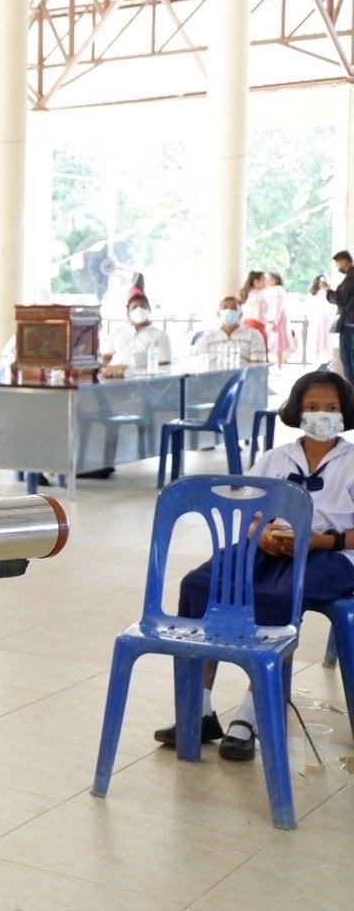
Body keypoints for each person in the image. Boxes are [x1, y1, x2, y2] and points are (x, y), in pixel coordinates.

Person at [154, 370, 354, 761]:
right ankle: (199, 708)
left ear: (345, 413)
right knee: (199, 586)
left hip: (332, 554)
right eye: (312, 407)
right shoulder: (275, 459)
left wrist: (322, 540)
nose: (322, 415)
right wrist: (261, 536)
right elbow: (250, 515)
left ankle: (250, 715)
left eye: (331, 408)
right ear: (297, 411)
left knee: (279, 598)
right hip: (269, 548)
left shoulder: (351, 462)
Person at [101, 292, 171, 367]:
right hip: (116, 372)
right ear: (128, 312)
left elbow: (165, 362)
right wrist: (108, 370)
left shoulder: (160, 334)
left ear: (149, 310)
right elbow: (106, 357)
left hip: (144, 373)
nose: (139, 310)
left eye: (143, 306)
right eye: (134, 307)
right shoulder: (116, 332)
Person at [194, 296, 266, 365]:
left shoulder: (253, 334)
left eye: (234, 308)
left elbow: (257, 365)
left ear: (240, 314)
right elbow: (200, 361)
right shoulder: (208, 336)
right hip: (214, 373)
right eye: (224, 308)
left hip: (242, 373)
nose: (229, 311)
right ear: (218, 313)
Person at [326, 251, 354, 375]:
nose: (338, 266)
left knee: (347, 357)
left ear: (344, 261)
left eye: (338, 263)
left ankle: (351, 385)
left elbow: (340, 299)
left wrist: (328, 291)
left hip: (349, 322)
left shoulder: (351, 278)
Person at [262, 272, 291, 368]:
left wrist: (276, 320)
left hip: (278, 319)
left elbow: (279, 306)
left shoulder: (279, 290)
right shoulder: (266, 290)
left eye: (271, 278)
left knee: (278, 343)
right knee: (269, 342)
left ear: (276, 279)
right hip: (268, 318)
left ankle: (279, 366)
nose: (268, 281)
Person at [307, 274, 333, 364]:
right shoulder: (313, 293)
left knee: (325, 337)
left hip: (325, 318)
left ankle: (327, 358)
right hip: (316, 318)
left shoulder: (327, 292)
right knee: (316, 337)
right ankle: (315, 357)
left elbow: (329, 305)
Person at [239, 270, 268, 341]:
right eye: (264, 279)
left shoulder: (249, 293)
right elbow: (259, 313)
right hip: (257, 325)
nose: (266, 282)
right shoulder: (258, 295)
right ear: (256, 282)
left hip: (247, 324)